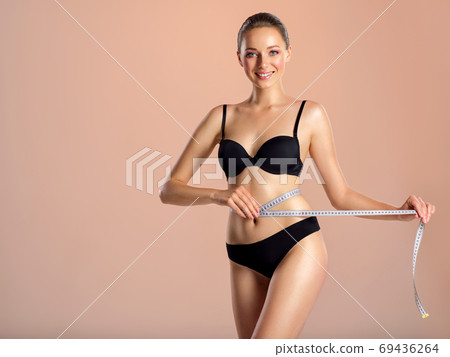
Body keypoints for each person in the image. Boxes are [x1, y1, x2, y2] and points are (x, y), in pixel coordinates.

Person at [158, 12, 436, 339]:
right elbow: (169, 189)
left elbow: (341, 195)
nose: (264, 62)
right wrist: (218, 195)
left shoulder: (309, 114)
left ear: (288, 53)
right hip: (241, 256)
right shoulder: (220, 117)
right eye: (252, 53)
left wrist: (399, 213)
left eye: (273, 51)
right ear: (239, 58)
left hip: (296, 244)